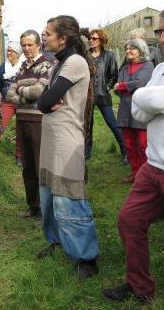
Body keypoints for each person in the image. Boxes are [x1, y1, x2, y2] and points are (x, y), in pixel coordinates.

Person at [103, 5, 164, 303]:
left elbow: (153, 98)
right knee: (129, 219)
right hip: (154, 164)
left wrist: (145, 96)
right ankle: (140, 287)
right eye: (160, 31)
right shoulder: (161, 68)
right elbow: (142, 112)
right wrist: (149, 97)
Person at [36, 15, 99, 279]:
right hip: (52, 137)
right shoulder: (57, 63)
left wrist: (46, 102)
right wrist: (48, 101)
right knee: (48, 194)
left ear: (63, 38)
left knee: (69, 198)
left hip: (66, 139)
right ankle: (57, 239)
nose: (44, 35)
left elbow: (44, 101)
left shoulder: (74, 62)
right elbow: (49, 100)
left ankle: (87, 258)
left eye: (48, 33)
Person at [7, 30, 54, 219]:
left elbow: (37, 92)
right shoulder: (22, 67)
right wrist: (23, 95)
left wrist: (21, 94)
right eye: (23, 45)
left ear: (38, 45)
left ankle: (45, 208)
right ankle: (32, 206)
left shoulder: (46, 65)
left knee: (40, 165)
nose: (26, 48)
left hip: (39, 121)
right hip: (22, 120)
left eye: (30, 45)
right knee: (27, 166)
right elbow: (9, 94)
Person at [114, 38, 153, 183]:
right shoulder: (124, 68)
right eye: (127, 48)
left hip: (141, 111)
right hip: (125, 111)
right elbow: (117, 88)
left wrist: (122, 86)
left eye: (132, 48)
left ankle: (146, 177)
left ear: (141, 50)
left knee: (143, 146)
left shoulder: (148, 66)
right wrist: (125, 87)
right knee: (130, 146)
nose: (128, 51)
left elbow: (141, 83)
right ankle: (136, 173)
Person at [85, 29, 127, 164]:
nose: (91, 41)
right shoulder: (85, 56)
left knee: (112, 123)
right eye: (90, 38)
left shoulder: (109, 55)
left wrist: (108, 87)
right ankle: (87, 151)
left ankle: (125, 152)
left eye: (95, 38)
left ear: (101, 40)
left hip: (103, 95)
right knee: (87, 124)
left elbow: (114, 74)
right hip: (87, 96)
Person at [0, 40, 23, 166]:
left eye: (11, 50)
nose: (8, 52)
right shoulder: (3, 67)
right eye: (8, 50)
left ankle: (19, 155)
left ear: (17, 53)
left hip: (21, 102)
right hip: (7, 102)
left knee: (21, 129)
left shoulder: (24, 65)